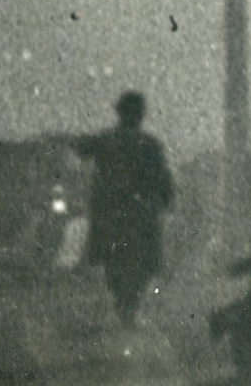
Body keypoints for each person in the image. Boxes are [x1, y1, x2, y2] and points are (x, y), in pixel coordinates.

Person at [75, 90, 174, 327]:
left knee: (114, 262)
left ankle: (124, 305)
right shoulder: (149, 144)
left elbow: (80, 148)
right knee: (141, 264)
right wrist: (167, 200)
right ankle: (129, 307)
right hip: (139, 214)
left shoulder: (107, 140)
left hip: (111, 213)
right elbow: (163, 177)